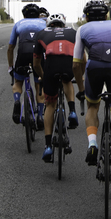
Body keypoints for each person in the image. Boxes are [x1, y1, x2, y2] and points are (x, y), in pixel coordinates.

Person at [73, 0, 111, 193]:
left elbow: (76, 63)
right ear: (107, 15)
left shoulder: (82, 30)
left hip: (94, 68)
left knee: (92, 107)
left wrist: (82, 89)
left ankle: (92, 144)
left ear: (87, 17)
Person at [33, 13, 79, 163]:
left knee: (50, 105)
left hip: (51, 67)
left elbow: (36, 64)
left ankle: (47, 146)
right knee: (67, 81)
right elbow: (82, 58)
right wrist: (80, 76)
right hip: (68, 65)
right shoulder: (73, 32)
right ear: (63, 24)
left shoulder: (41, 34)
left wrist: (43, 76)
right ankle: (72, 111)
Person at [7, 3, 47, 129]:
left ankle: (17, 100)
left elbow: (10, 48)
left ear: (24, 15)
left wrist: (10, 67)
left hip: (22, 54)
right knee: (39, 84)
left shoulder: (19, 24)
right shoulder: (43, 24)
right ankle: (40, 116)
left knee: (18, 82)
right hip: (38, 56)